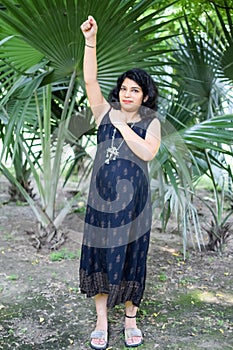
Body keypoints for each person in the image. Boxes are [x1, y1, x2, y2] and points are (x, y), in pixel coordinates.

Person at [79, 15, 161, 350]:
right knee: (101, 254)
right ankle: (101, 319)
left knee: (132, 256)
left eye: (135, 90)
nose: (127, 94)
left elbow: (148, 152)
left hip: (134, 206)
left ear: (144, 96)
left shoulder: (151, 122)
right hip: (101, 202)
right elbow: (89, 80)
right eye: (124, 88)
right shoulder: (102, 112)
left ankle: (130, 317)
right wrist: (91, 41)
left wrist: (124, 125)